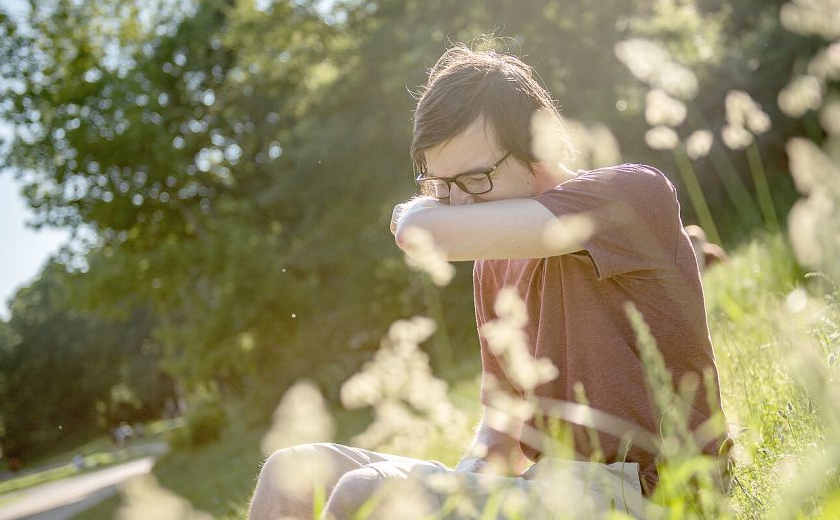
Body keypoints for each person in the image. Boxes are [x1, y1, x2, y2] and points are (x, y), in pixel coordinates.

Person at [248, 44, 731, 520]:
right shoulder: (493, 262)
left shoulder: (630, 194)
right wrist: (469, 482)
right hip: (548, 488)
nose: (455, 205)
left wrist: (415, 213)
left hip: (657, 487)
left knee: (368, 493)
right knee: (290, 471)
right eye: (438, 186)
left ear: (537, 147)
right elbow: (505, 423)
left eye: (474, 179)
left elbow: (423, 233)